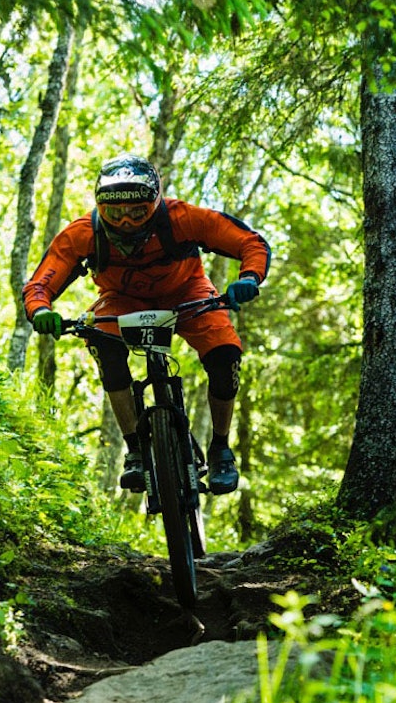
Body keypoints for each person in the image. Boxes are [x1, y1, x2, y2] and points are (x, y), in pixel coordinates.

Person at [23, 153, 270, 495]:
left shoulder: (182, 217)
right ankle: (135, 450)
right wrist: (40, 311)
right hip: (121, 298)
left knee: (224, 353)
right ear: (101, 207)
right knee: (103, 344)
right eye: (115, 213)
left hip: (188, 292)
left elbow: (249, 242)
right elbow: (40, 284)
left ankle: (221, 448)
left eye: (137, 211)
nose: (125, 222)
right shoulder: (84, 232)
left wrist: (249, 277)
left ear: (154, 204)